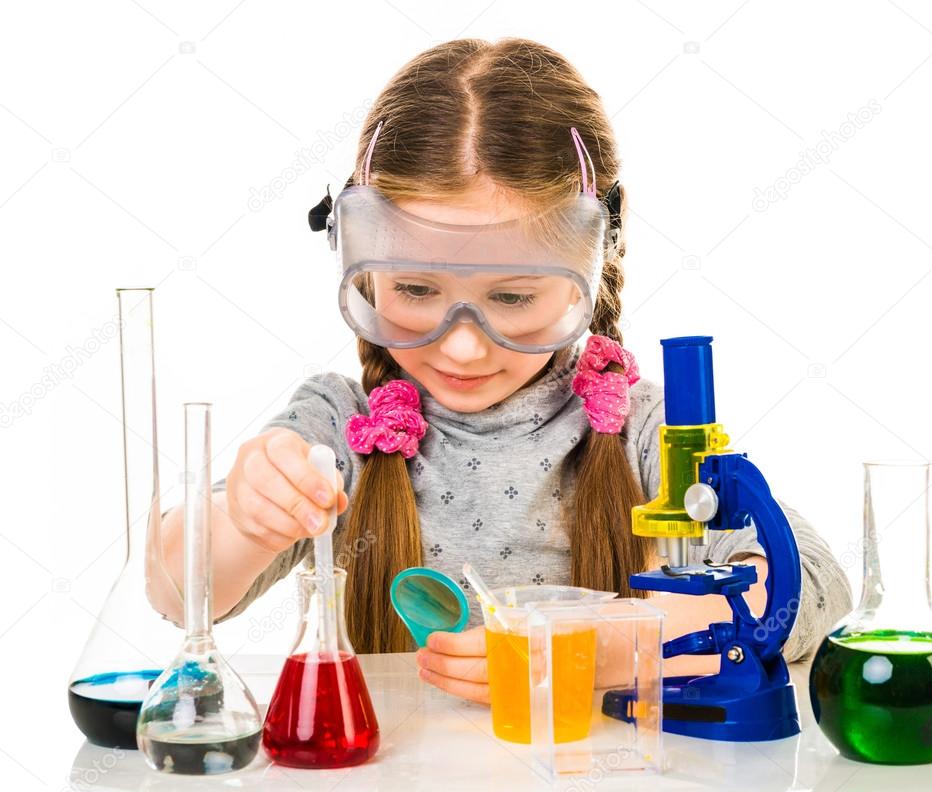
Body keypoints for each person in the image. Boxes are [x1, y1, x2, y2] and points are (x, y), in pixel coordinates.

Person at [150, 38, 851, 703]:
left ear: (591, 263)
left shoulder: (645, 431)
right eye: (416, 291)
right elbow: (176, 593)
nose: (460, 347)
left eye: (511, 298)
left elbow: (815, 589)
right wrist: (242, 517)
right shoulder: (337, 430)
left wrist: (611, 647)